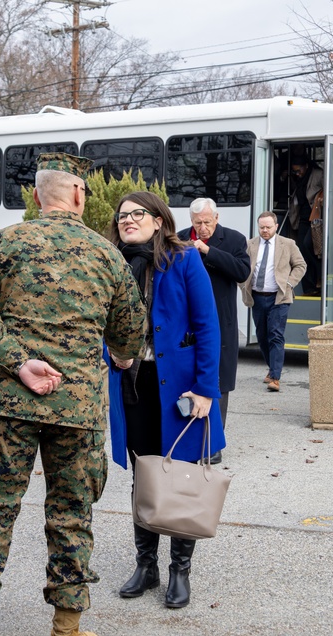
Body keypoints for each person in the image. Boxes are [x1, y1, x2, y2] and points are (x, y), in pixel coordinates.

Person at [0, 153, 145, 636]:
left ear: (35, 196)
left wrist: (18, 361)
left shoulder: (2, 244)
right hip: (76, 411)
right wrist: (116, 353)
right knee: (72, 516)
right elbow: (130, 335)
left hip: (6, 405)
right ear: (77, 194)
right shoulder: (107, 255)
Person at [105, 191, 226, 609]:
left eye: (138, 214)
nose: (128, 220)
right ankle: (146, 565)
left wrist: (208, 390)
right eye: (122, 216)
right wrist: (113, 352)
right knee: (144, 474)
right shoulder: (112, 263)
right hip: (133, 384)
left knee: (182, 478)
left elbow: (208, 328)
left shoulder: (185, 259)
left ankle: (179, 571)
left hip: (180, 389)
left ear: (159, 220)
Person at [179, 197, 251, 433]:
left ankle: (213, 441)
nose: (202, 227)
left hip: (220, 319)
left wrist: (208, 250)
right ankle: (188, 436)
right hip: (185, 321)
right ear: (191, 220)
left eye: (207, 222)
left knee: (218, 379)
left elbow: (242, 272)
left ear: (217, 218)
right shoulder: (179, 239)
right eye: (198, 222)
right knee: (186, 377)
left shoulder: (233, 239)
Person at [240, 211, 307, 392]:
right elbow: (241, 266)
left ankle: (275, 378)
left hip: (280, 297)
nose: (265, 230)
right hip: (257, 297)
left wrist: (289, 284)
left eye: (268, 227)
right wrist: (242, 284)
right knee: (262, 336)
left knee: (276, 335)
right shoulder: (250, 244)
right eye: (262, 227)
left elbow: (301, 265)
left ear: (276, 226)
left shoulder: (288, 244)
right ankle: (272, 368)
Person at [288, 156, 323, 296]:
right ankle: (309, 287)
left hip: (316, 218)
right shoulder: (298, 179)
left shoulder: (318, 174)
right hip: (302, 218)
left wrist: (322, 199)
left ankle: (321, 276)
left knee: (310, 246)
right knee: (302, 251)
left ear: (306, 166)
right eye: (295, 172)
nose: (297, 174)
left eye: (298, 170)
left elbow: (330, 188)